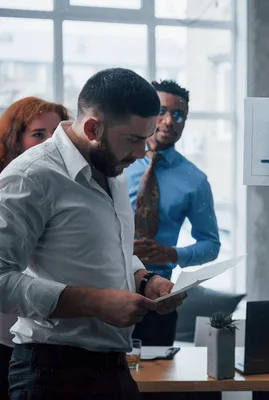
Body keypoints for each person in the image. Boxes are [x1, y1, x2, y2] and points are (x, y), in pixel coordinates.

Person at [0, 68, 185, 400]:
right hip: (51, 376)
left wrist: (145, 279)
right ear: (92, 128)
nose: (142, 153)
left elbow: (110, 249)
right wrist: (95, 303)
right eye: (132, 139)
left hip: (114, 371)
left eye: (146, 138)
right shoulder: (31, 177)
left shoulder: (112, 165)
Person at [125, 79, 220, 346]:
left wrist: (172, 254)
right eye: (162, 112)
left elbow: (211, 245)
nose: (169, 121)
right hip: (108, 290)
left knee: (159, 384)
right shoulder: (116, 164)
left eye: (179, 115)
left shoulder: (194, 179)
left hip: (160, 299)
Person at [0, 96, 70, 400]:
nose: (49, 144)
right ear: (15, 141)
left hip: (45, 337)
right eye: (38, 134)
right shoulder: (11, 186)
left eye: (56, 135)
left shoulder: (68, 189)